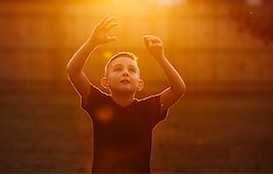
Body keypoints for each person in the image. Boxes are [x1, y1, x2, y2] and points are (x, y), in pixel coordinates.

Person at [67, 15, 186, 173]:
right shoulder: (97, 102)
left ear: (139, 84)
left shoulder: (148, 109)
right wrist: (92, 42)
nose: (125, 73)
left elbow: (179, 89)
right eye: (118, 69)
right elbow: (73, 71)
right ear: (105, 82)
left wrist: (160, 56)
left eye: (132, 70)